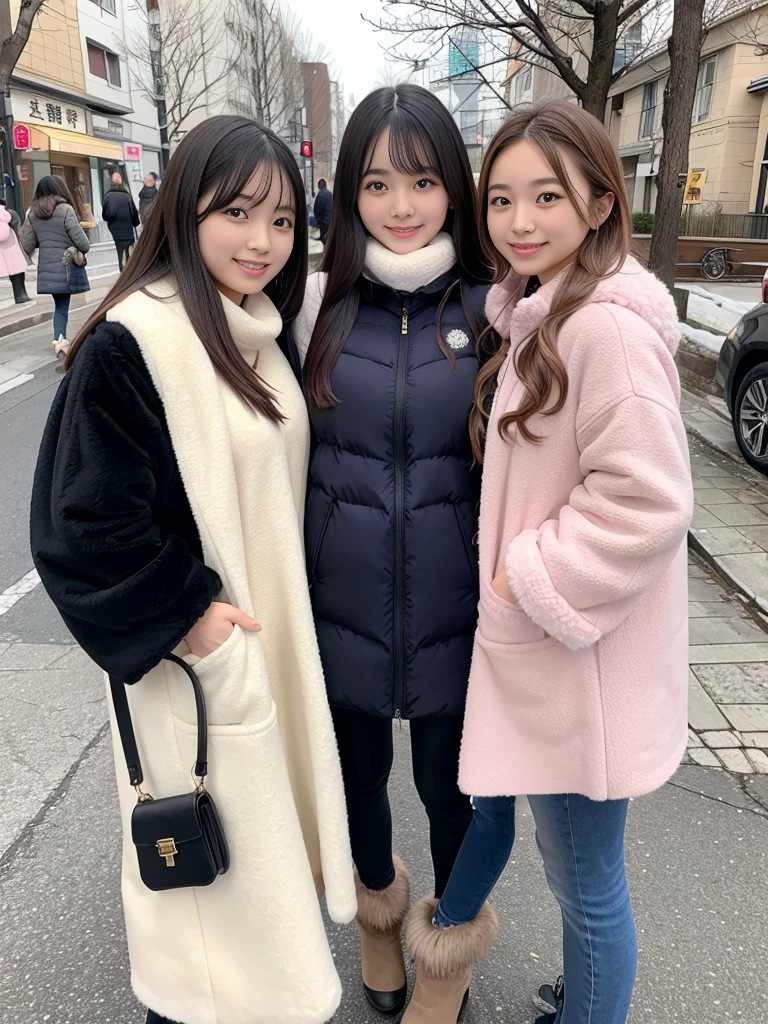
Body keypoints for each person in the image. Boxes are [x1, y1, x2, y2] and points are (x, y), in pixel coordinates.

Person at [30, 116, 356, 1024]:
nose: (263, 241)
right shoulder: (137, 337)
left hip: (255, 664)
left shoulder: (254, 328)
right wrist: (192, 620)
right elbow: (79, 526)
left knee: (251, 914)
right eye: (239, 212)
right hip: (198, 680)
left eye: (284, 220)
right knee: (209, 944)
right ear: (185, 209)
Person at [402, 101, 693, 1024]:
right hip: (571, 659)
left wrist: (524, 576)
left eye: (548, 197)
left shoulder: (600, 331)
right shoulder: (546, 313)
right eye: (501, 200)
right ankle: (585, 996)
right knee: (582, 877)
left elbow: (647, 500)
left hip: (579, 668)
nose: (519, 222)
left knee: (587, 886)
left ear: (603, 203)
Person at [293, 83, 496, 1019]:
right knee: (359, 787)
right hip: (343, 610)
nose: (401, 205)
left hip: (464, 614)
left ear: (453, 184)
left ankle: (447, 962)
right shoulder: (315, 315)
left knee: (452, 800)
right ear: (349, 192)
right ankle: (379, 923)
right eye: (377, 183)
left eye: (420, 180)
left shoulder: (499, 312)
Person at [20, 175, 90, 357]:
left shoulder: (32, 213)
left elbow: (26, 245)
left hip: (47, 268)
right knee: (62, 305)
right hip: (66, 266)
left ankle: (60, 339)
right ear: (60, 189)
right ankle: (60, 340)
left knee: (60, 304)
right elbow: (83, 243)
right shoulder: (65, 209)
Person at [102, 171, 140, 270]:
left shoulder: (107, 196)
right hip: (128, 231)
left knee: (120, 254)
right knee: (129, 254)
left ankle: (122, 271)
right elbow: (134, 214)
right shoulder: (127, 196)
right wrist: (136, 223)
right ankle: (129, 272)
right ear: (121, 182)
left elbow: (105, 216)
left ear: (112, 182)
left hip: (116, 232)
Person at [0, 198, 31, 303]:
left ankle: (21, 296)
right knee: (17, 275)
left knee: (16, 274)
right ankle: (21, 296)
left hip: (5, 251)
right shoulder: (7, 214)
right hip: (11, 250)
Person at [312, 178, 332, 244]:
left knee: (323, 240)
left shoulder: (319, 196)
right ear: (325, 185)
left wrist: (319, 223)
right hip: (328, 223)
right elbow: (331, 210)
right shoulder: (330, 195)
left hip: (322, 223)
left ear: (319, 186)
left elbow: (315, 210)